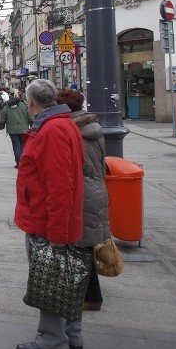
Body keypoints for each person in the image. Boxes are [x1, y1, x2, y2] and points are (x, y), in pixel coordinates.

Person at [14, 79, 84, 349]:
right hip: (55, 218)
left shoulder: (52, 130)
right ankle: (73, 333)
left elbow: (59, 186)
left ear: (31, 102)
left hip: (48, 220)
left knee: (51, 278)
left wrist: (56, 232)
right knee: (65, 277)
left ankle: (52, 340)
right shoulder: (64, 123)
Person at [56, 89, 110, 316]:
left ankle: (90, 296)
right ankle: (90, 295)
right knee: (85, 244)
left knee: (80, 246)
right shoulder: (94, 129)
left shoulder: (73, 131)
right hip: (97, 189)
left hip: (83, 192)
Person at [0, 88, 34, 168]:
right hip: (24, 129)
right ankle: (24, 163)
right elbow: (30, 116)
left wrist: (1, 125)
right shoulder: (24, 104)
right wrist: (32, 124)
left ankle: (19, 163)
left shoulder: (6, 105)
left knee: (16, 145)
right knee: (22, 145)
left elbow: (2, 117)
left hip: (12, 129)